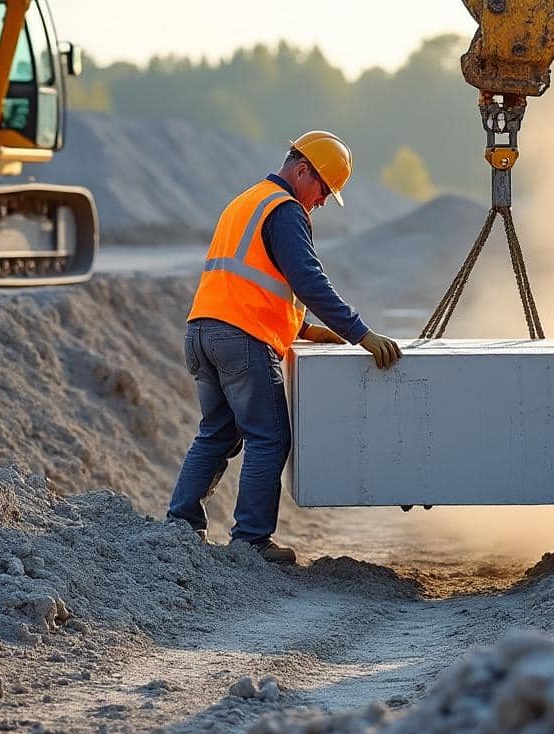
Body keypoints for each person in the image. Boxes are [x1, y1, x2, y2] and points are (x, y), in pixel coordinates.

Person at [167, 130, 402, 562]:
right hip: (241, 339)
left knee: (216, 433)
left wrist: (306, 331)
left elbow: (249, 284)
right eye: (325, 189)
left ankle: (179, 526)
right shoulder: (285, 210)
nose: (324, 201)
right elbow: (308, 281)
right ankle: (252, 541)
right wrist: (360, 333)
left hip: (202, 332)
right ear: (301, 171)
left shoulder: (247, 201)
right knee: (269, 437)